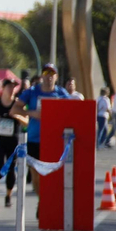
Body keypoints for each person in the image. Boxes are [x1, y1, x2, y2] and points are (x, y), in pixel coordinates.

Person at [21, 64, 71, 193]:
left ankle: (45, 201)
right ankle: (41, 200)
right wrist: (32, 113)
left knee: (51, 176)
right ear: (41, 76)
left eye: (52, 73)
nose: (49, 76)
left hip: (54, 139)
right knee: (36, 177)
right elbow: (15, 109)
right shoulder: (32, 92)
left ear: (56, 77)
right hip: (34, 139)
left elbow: (72, 111)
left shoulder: (61, 93)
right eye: (46, 73)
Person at [0, 77, 29, 207]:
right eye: (9, 87)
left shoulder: (17, 104)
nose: (11, 89)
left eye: (13, 87)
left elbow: (26, 122)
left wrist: (17, 116)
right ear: (3, 88)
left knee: (11, 168)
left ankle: (8, 195)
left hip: (13, 140)